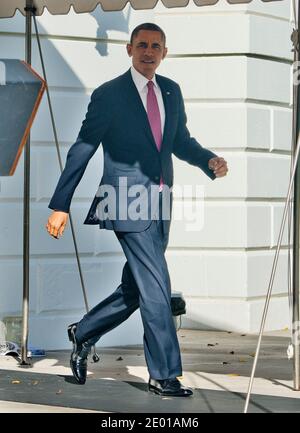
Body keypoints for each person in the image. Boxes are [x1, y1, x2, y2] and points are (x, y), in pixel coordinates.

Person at [46, 23, 228, 397]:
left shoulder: (171, 92)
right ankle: (163, 373)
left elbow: (180, 141)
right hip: (125, 201)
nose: (149, 51)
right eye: (142, 45)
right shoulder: (109, 95)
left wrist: (208, 160)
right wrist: (60, 204)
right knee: (158, 287)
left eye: (156, 46)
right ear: (129, 49)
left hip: (161, 203)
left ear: (165, 52)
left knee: (139, 286)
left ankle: (83, 333)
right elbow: (82, 148)